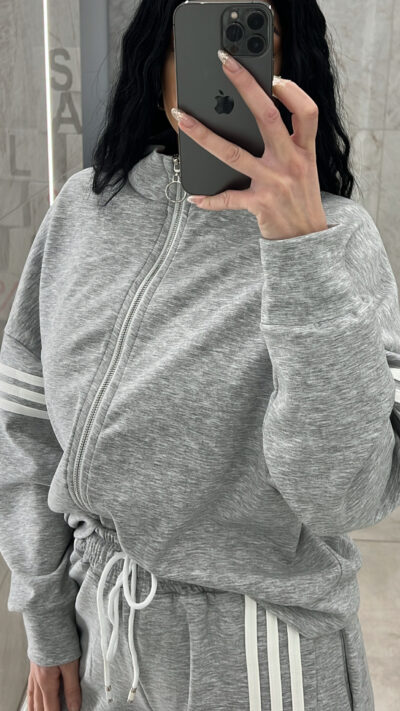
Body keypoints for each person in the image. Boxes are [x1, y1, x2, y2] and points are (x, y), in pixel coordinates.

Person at [1, 0, 400, 709]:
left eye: (252, 44)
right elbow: (27, 432)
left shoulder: (338, 240)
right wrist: (46, 617)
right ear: (156, 56)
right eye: (195, 38)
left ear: (293, 71)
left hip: (263, 656)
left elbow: (343, 495)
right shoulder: (82, 212)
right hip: (105, 637)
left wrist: (298, 247)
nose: (223, 70)